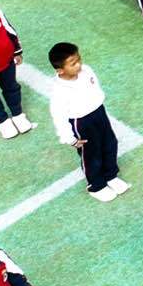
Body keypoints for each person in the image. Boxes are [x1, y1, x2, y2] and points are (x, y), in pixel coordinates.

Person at [45, 42, 127, 200]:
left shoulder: (86, 70)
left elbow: (95, 87)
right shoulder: (58, 90)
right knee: (91, 154)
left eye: (79, 59)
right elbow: (58, 115)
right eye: (73, 63)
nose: (79, 65)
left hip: (98, 113)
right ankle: (96, 186)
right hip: (81, 122)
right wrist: (69, 138)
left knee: (110, 144)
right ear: (60, 70)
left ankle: (111, 175)